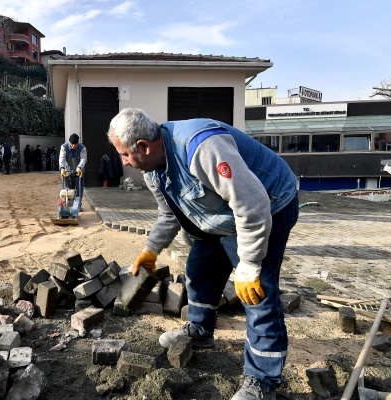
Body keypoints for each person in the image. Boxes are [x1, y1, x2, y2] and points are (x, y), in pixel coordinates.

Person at [107, 108, 298, 400]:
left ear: (143, 147)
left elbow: (252, 204)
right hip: (218, 216)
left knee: (258, 292)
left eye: (125, 155)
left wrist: (248, 265)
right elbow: (169, 214)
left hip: (269, 204)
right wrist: (151, 250)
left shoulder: (201, 147)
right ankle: (200, 331)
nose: (124, 162)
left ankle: (263, 381)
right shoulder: (152, 168)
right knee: (199, 269)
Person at [59, 133, 88, 211]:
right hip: (68, 170)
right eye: (72, 144)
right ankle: (69, 203)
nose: (73, 146)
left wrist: (79, 167)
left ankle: (79, 204)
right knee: (68, 187)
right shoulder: (64, 147)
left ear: (77, 143)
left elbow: (83, 159)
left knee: (79, 187)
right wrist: (62, 168)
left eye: (75, 144)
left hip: (79, 170)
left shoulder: (82, 147)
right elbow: (62, 158)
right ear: (69, 142)